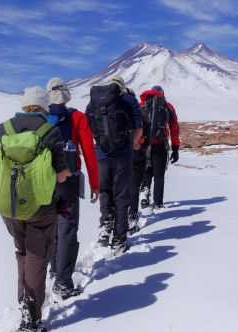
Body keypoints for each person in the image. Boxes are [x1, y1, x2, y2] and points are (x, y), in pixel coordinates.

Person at [0, 86, 71, 332]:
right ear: (45, 106)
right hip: (40, 207)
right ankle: (31, 318)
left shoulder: (4, 128)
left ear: (24, 104)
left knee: (22, 253)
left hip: (9, 206)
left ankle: (24, 303)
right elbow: (62, 174)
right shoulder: (49, 131)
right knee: (36, 257)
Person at [45, 77, 100, 300]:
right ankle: (63, 282)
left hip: (43, 183)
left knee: (50, 228)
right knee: (67, 229)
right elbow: (88, 151)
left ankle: (54, 269)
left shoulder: (39, 117)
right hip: (68, 181)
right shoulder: (77, 117)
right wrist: (95, 183)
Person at [86, 76, 143, 252]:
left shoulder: (93, 103)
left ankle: (105, 228)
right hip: (122, 154)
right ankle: (119, 239)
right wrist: (133, 144)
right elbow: (138, 127)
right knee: (121, 195)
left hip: (101, 154)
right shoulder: (128, 100)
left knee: (105, 191)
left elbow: (89, 128)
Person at [136, 85, 180, 212]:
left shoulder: (141, 104)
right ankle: (158, 203)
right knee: (159, 175)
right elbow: (174, 128)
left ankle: (144, 196)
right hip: (160, 144)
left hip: (143, 145)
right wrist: (175, 148)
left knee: (146, 172)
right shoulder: (167, 106)